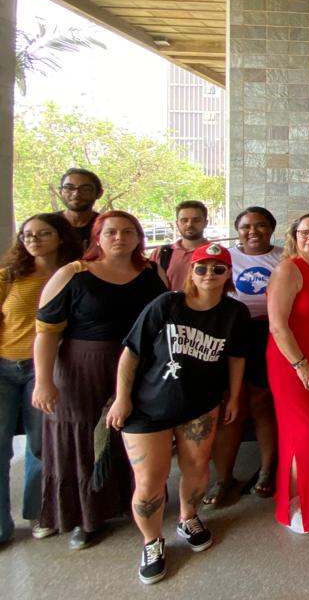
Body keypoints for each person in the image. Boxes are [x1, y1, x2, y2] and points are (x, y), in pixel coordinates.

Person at [107, 243, 248, 584]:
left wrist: (233, 397)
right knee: (150, 480)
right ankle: (152, 541)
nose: (209, 274)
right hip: (148, 406)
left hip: (200, 405)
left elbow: (236, 357)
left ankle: (188, 517)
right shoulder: (166, 304)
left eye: (218, 268)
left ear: (228, 274)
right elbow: (131, 353)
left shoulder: (234, 312)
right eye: (202, 268)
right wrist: (122, 398)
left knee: (197, 467)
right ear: (191, 272)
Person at [31, 210, 166, 549]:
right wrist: (43, 381)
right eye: (111, 232)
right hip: (82, 369)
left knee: (134, 434)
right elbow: (46, 332)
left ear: (138, 237)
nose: (119, 237)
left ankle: (135, 503)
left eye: (128, 231)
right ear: (98, 237)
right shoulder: (73, 274)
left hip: (139, 366)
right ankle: (86, 517)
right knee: (84, 436)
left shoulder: (151, 273)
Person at [0, 214, 81, 546]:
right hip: (5, 366)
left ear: (60, 237)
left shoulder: (74, 274)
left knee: (40, 445)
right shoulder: (9, 276)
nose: (33, 239)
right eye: (27, 234)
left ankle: (39, 512)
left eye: (42, 233)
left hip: (47, 369)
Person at [205, 206, 282, 505]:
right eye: (246, 226)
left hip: (268, 334)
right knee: (230, 407)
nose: (253, 231)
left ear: (271, 228)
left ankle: (267, 470)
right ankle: (224, 478)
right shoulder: (225, 258)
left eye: (261, 225)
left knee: (263, 403)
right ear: (237, 230)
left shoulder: (283, 257)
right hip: (231, 333)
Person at [266, 214, 309, 533]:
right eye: (305, 232)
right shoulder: (288, 269)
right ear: (294, 235)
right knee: (303, 434)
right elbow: (277, 326)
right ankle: (300, 505)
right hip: (291, 362)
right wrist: (300, 364)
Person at [149, 200, 211, 291]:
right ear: (177, 224)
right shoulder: (160, 253)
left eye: (196, 220)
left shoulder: (218, 253)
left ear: (205, 223)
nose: (189, 224)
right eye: (184, 220)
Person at [53, 167, 103, 250]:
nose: (76, 194)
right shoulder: (47, 224)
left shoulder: (105, 225)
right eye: (69, 188)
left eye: (85, 189)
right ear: (60, 192)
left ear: (99, 193)